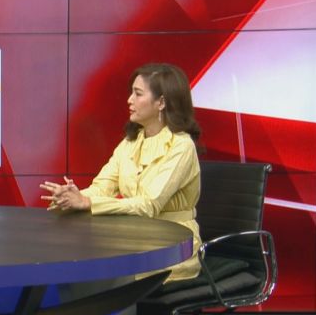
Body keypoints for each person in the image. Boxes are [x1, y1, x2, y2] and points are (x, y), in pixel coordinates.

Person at [40, 63, 201, 281]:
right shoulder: (130, 142)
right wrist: (73, 197)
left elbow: (148, 205)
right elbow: (102, 188)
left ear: (161, 102)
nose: (129, 100)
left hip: (172, 248)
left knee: (96, 274)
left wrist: (87, 203)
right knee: (77, 265)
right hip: (133, 240)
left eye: (138, 94)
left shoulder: (181, 146)